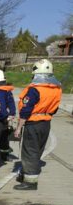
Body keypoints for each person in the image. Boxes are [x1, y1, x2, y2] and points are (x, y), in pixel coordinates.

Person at [13, 59, 62, 190]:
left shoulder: (34, 90)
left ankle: (30, 182)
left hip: (33, 124)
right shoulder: (56, 89)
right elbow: (55, 108)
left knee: (29, 151)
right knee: (38, 150)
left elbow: (26, 110)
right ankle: (27, 173)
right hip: (46, 123)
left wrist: (18, 128)